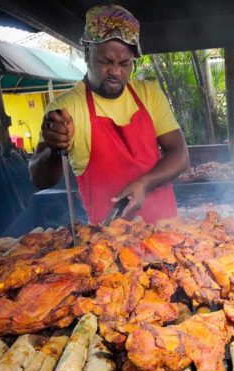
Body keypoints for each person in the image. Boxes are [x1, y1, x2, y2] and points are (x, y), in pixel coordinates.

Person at [29, 4, 189, 224]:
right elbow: (40, 180)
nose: (115, 71)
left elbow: (180, 155)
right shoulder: (67, 108)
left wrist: (144, 183)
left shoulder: (148, 94)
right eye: (106, 61)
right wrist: (54, 149)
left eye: (125, 64)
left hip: (166, 231)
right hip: (106, 243)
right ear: (87, 52)